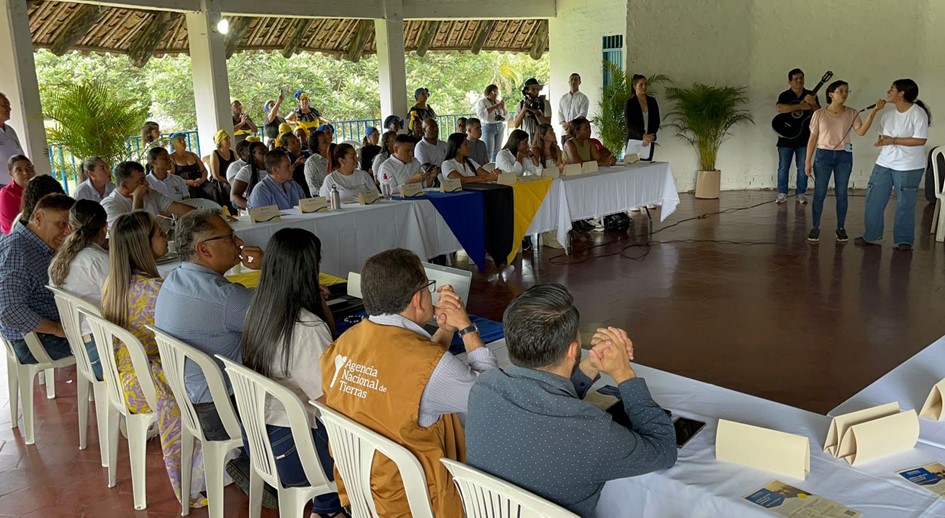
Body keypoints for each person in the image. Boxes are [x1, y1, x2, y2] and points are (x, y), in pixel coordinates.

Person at [466, 284, 677, 517]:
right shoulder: (592, 429)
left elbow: (542, 402)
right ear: (573, 351)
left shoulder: (483, 389)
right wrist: (624, 374)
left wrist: (588, 368)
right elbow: (664, 451)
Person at [319, 248, 496, 517]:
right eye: (428, 287)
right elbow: (492, 400)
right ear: (417, 299)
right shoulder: (432, 367)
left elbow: (410, 372)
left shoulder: (342, 345)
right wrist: (466, 328)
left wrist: (445, 330)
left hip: (362, 490)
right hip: (416, 503)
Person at [101, 210, 207, 508]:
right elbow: (194, 328)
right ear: (143, 245)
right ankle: (216, 464)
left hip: (122, 378)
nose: (165, 237)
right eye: (160, 234)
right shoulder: (154, 289)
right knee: (210, 377)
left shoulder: (114, 282)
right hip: (147, 384)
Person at [240, 228, 344, 518]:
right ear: (309, 269)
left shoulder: (258, 309)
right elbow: (329, 402)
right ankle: (330, 507)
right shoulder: (307, 327)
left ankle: (328, 505)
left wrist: (316, 298)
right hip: (294, 451)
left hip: (259, 438)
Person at [155, 209, 263, 437]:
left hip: (190, 402)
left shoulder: (173, 278)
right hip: (224, 412)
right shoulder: (226, 298)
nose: (240, 242)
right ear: (203, 249)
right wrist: (269, 268)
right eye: (229, 237)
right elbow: (281, 322)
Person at [856, 79, 931, 252]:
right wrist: (882, 141)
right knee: (873, 199)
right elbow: (884, 136)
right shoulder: (888, 115)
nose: (888, 92)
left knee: (905, 203)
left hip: (909, 166)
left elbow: (920, 140)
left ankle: (903, 240)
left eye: (891, 90)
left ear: (901, 94)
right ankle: (871, 235)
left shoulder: (918, 113)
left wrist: (894, 141)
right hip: (884, 162)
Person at [0, 193, 75, 367]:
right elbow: (8, 309)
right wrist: (56, 328)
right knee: (107, 347)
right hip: (33, 340)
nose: (68, 232)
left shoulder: (36, 245)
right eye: (61, 224)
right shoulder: (17, 250)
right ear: (38, 218)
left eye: (71, 226)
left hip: (42, 333)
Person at [804, 80, 880, 243]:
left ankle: (840, 227)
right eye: (841, 91)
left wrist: (873, 112)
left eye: (846, 91)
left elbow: (861, 131)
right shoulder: (819, 114)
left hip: (844, 156)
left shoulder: (852, 113)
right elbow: (812, 139)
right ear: (831, 94)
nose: (844, 94)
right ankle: (815, 227)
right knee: (820, 193)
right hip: (823, 155)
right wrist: (807, 161)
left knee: (841, 193)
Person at [48, 199, 108, 380]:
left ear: (69, 227)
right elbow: (125, 302)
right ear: (105, 228)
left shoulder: (57, 262)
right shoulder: (98, 260)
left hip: (80, 349)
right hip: (102, 354)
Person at [101, 161, 192, 227]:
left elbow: (179, 208)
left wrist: (199, 214)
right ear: (124, 185)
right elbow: (133, 233)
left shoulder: (149, 193)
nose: (147, 183)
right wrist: (138, 199)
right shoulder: (109, 205)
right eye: (141, 181)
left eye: (145, 179)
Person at [775, 68, 819, 205]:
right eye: (796, 79)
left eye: (801, 78)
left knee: (803, 167)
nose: (799, 81)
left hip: (804, 138)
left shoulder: (810, 95)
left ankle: (801, 193)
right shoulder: (785, 95)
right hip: (786, 137)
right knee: (783, 167)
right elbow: (780, 108)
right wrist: (801, 106)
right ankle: (782, 193)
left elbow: (819, 114)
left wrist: (812, 103)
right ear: (790, 81)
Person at [623, 74, 661, 161]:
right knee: (633, 165)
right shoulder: (630, 103)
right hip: (635, 140)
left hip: (649, 140)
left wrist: (651, 136)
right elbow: (629, 124)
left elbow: (656, 121)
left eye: (645, 84)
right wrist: (643, 135)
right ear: (634, 86)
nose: (644, 87)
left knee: (647, 165)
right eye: (641, 85)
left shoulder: (652, 101)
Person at [168, 133, 212, 200]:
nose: (183, 142)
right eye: (179, 140)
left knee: (212, 190)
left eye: (183, 139)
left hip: (200, 181)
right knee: (190, 192)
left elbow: (204, 170)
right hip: (184, 184)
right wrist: (186, 182)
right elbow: (171, 176)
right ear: (173, 145)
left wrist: (201, 180)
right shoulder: (171, 158)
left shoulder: (193, 155)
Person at [0, 155, 35, 234]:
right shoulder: (6, 194)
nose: (25, 172)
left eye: (28, 167)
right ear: (11, 174)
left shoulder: (41, 186)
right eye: (19, 170)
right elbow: (11, 228)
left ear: (33, 168)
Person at [230, 141, 267, 209]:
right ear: (253, 155)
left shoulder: (273, 168)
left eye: (267, 151)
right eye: (262, 153)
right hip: (255, 211)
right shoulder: (247, 170)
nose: (266, 154)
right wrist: (252, 205)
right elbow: (234, 196)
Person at [513, 78, 551, 142]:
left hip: (541, 140)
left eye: (537, 89)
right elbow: (516, 125)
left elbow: (547, 124)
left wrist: (537, 113)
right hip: (526, 140)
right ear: (526, 91)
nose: (536, 92)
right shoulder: (521, 105)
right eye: (533, 89)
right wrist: (524, 109)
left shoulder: (545, 103)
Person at [475, 84, 507, 162]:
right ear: (489, 92)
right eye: (494, 92)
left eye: (497, 92)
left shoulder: (497, 101)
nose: (496, 94)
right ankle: (487, 167)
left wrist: (503, 108)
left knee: (497, 151)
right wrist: (494, 107)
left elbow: (505, 115)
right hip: (488, 126)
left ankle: (496, 166)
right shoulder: (482, 102)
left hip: (499, 126)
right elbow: (481, 115)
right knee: (488, 151)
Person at [0, 93, 25, 185]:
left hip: (16, 185)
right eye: (5, 105)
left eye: (9, 105)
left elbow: (21, 156)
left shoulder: (10, 130)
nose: (9, 109)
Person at [558, 73, 589, 146]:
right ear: (569, 82)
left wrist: (570, 124)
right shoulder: (563, 98)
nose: (573, 81)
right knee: (565, 152)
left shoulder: (583, 98)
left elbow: (582, 114)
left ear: (579, 82)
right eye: (571, 80)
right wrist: (564, 124)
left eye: (576, 80)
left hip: (577, 133)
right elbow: (560, 113)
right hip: (565, 132)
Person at [208, 129, 236, 209]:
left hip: (231, 179)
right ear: (220, 142)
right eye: (226, 139)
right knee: (230, 189)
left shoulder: (232, 153)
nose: (229, 141)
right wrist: (229, 181)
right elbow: (216, 176)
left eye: (229, 138)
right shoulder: (215, 154)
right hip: (220, 181)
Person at [278, 132, 311, 198]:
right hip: (296, 188)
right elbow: (285, 174)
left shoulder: (307, 154)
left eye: (297, 141)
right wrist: (296, 164)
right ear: (286, 147)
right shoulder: (285, 158)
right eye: (293, 143)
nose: (297, 143)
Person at [304, 130, 331, 196]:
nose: (329, 142)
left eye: (328, 139)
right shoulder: (311, 162)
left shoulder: (334, 157)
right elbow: (314, 190)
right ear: (317, 147)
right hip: (325, 199)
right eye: (324, 141)